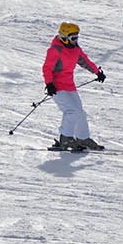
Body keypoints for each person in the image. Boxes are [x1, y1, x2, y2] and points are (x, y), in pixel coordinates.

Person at [43, 22, 106, 151]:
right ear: (64, 37)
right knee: (71, 111)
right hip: (57, 87)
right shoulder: (55, 50)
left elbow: (84, 61)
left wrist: (97, 72)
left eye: (77, 37)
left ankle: (83, 138)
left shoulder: (74, 49)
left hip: (69, 85)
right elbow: (47, 68)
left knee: (80, 113)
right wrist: (49, 84)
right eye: (73, 38)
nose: (75, 41)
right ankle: (65, 138)